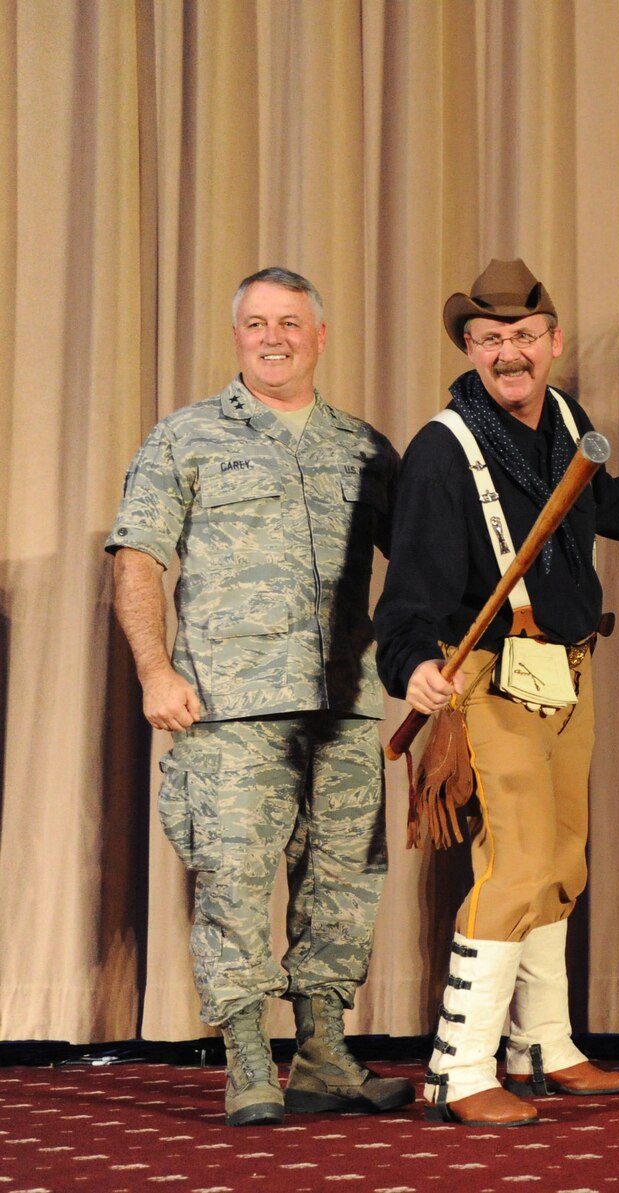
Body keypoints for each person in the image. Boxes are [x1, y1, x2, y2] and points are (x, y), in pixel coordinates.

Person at [375, 259, 619, 1126]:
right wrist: (412, 667)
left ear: (554, 342)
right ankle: (459, 1067)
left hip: (567, 672)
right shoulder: (441, 450)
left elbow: (598, 502)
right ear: (469, 345)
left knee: (563, 860)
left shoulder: (567, 421)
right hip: (490, 682)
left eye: (526, 337)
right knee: (515, 864)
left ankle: (543, 1042)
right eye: (492, 339)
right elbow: (408, 593)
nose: (511, 354)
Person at [108, 267, 409, 1126]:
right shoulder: (187, 438)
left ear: (320, 335)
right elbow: (139, 557)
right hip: (229, 706)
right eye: (254, 323)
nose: (271, 337)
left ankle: (322, 1052)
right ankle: (248, 1061)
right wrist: (154, 670)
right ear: (236, 335)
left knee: (344, 883)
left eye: (288, 322)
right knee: (234, 882)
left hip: (345, 703)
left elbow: (419, 562)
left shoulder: (363, 447)